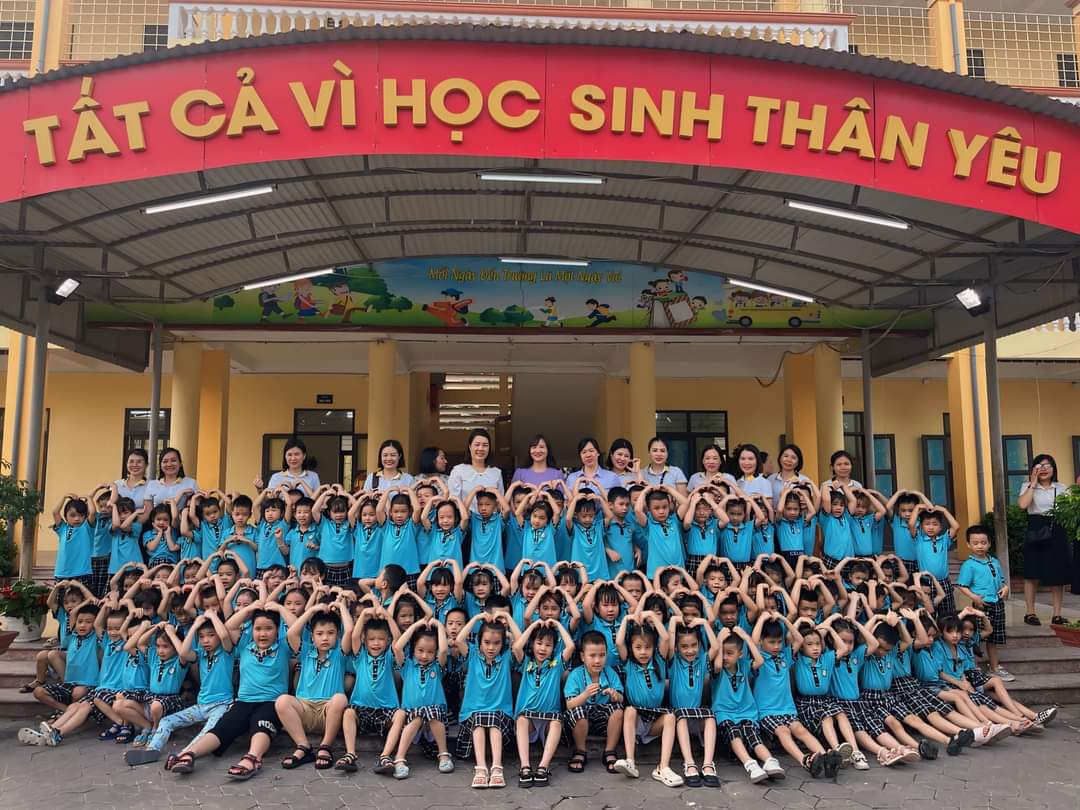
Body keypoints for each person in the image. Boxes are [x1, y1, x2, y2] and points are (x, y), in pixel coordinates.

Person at [167, 603, 291, 780]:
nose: (262, 634)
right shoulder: (244, 645)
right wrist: (249, 609)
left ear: (278, 630)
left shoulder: (284, 646)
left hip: (272, 702)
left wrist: (280, 609)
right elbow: (229, 627)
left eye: (268, 629)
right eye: (258, 629)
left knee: (261, 724)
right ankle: (190, 754)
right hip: (244, 701)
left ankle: (253, 758)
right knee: (223, 728)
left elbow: (295, 627)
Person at [611, 612, 683, 787]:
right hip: (636, 720)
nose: (643, 652)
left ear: (653, 648)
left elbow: (665, 638)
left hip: (653, 721)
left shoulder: (659, 660)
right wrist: (626, 619)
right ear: (631, 648)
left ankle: (663, 767)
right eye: (638, 647)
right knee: (629, 710)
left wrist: (651, 615)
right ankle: (630, 760)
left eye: (647, 647)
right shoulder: (628, 662)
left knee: (670, 716)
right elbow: (619, 642)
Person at [512, 618, 576, 788]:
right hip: (529, 720)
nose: (542, 648)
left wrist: (558, 625)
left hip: (548, 720)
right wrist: (533, 626)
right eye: (539, 643)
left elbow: (570, 646)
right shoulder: (526, 663)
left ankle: (543, 767)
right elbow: (517, 647)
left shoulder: (556, 665)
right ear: (532, 644)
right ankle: (525, 767)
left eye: (548, 645)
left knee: (556, 722)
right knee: (521, 719)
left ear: (554, 648)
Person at [1017, 453, 1070, 626]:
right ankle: (1030, 612)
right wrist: (1033, 483)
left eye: (1047, 465)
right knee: (1031, 572)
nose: (1044, 469)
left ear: (1054, 468)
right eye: (1039, 466)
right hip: (1036, 528)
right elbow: (1023, 505)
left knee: (1057, 573)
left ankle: (1057, 614)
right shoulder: (1027, 486)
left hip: (1057, 529)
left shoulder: (1061, 488)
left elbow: (1069, 510)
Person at [563, 630, 625, 775]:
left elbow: (621, 698)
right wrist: (585, 695)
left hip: (603, 721)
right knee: (578, 711)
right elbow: (569, 704)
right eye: (592, 656)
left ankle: (609, 751)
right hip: (580, 722)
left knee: (618, 710)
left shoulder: (610, 672)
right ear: (582, 657)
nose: (597, 661)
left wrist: (615, 695)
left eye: (602, 655)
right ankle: (580, 751)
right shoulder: (576, 674)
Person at [956, 525, 1012, 681]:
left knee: (994, 637)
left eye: (983, 542)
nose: (980, 546)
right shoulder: (969, 565)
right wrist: (974, 598)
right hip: (982, 606)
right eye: (975, 543)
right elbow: (962, 586)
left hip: (997, 604)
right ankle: (971, 667)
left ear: (989, 543)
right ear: (968, 544)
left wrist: (1005, 588)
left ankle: (994, 667)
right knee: (977, 637)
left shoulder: (994, 561)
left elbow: (1002, 581)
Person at [448, 429, 504, 512]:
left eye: (485, 445)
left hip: (492, 519)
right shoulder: (458, 471)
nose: (481, 448)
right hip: (466, 518)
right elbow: (454, 502)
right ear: (470, 446)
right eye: (477, 445)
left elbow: (500, 503)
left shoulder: (496, 472)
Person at [255, 438, 320, 495]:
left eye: (297, 454)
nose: (293, 458)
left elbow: (318, 499)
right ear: (285, 456)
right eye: (289, 455)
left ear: (304, 456)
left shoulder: (313, 476)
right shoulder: (276, 477)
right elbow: (269, 500)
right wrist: (260, 489)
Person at [115, 448, 151, 517]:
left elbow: (148, 512)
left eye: (139, 461)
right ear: (126, 464)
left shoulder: (151, 485)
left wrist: (132, 524)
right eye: (131, 461)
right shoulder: (116, 485)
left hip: (142, 523)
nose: (135, 465)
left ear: (146, 464)